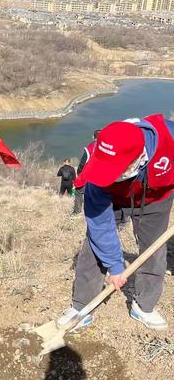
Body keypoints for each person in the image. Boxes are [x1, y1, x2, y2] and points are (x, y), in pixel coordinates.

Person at [57, 115, 174, 332]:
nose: (107, 175)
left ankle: (144, 306)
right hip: (114, 199)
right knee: (93, 246)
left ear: (138, 160)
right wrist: (115, 266)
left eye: (114, 171)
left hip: (156, 198)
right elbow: (100, 224)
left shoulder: (170, 138)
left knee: (154, 249)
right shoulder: (98, 166)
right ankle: (82, 307)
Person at [72, 130, 99, 215]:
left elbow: (83, 162)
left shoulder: (90, 147)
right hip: (101, 177)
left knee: (79, 192)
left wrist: (79, 171)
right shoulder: (107, 147)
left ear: (93, 137)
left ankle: (77, 212)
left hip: (88, 175)